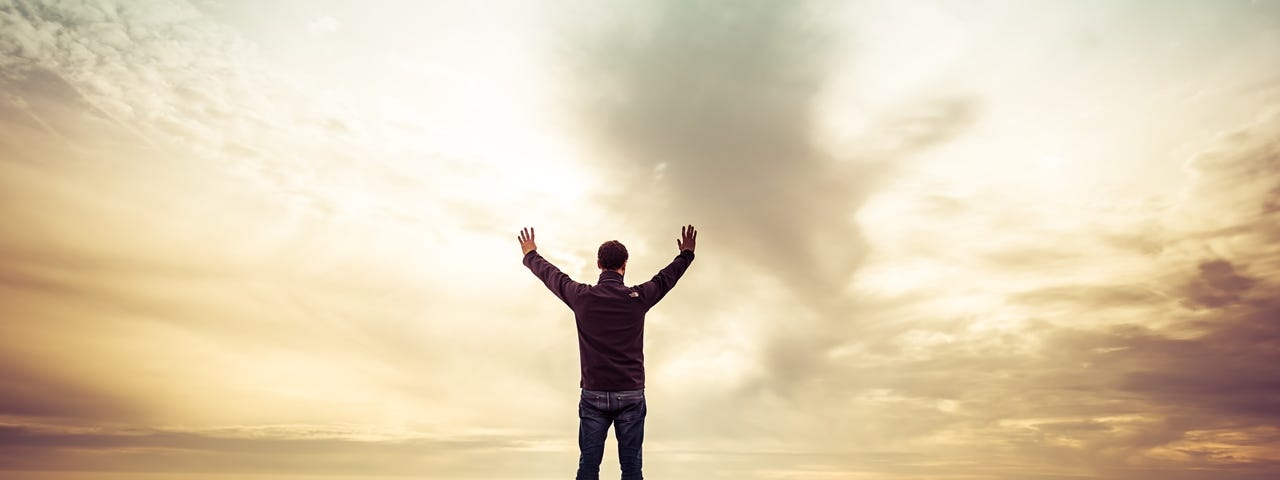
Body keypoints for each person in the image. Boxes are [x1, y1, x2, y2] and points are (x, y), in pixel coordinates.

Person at [518, 225, 698, 480]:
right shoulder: (638, 297)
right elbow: (665, 279)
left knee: (588, 468)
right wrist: (686, 255)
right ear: (625, 265)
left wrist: (530, 255)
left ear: (599, 264)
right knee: (632, 470)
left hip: (593, 395)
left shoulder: (582, 297)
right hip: (631, 395)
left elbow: (553, 277)